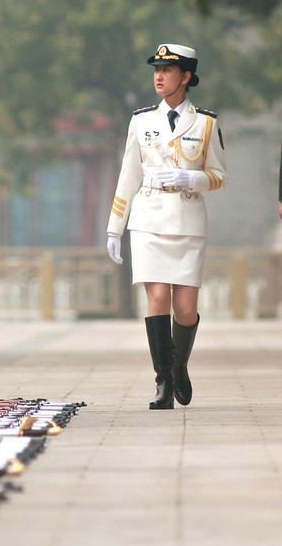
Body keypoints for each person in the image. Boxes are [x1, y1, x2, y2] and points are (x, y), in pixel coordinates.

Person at [106, 43, 227, 410]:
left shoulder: (206, 122)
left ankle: (178, 367)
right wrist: (115, 227)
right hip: (148, 219)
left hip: (188, 220)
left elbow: (219, 175)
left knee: (186, 308)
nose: (159, 76)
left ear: (186, 77)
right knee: (157, 298)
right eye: (156, 70)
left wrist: (192, 178)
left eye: (167, 71)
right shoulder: (141, 120)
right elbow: (128, 176)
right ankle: (162, 382)